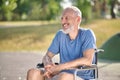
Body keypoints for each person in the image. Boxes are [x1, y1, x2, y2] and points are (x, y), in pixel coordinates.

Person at [27, 6, 96, 80]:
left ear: (78, 19)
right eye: (62, 18)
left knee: (64, 76)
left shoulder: (87, 34)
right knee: (33, 72)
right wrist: (48, 65)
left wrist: (59, 67)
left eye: (67, 18)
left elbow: (87, 60)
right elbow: (47, 56)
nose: (63, 22)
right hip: (61, 74)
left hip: (80, 76)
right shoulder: (60, 35)